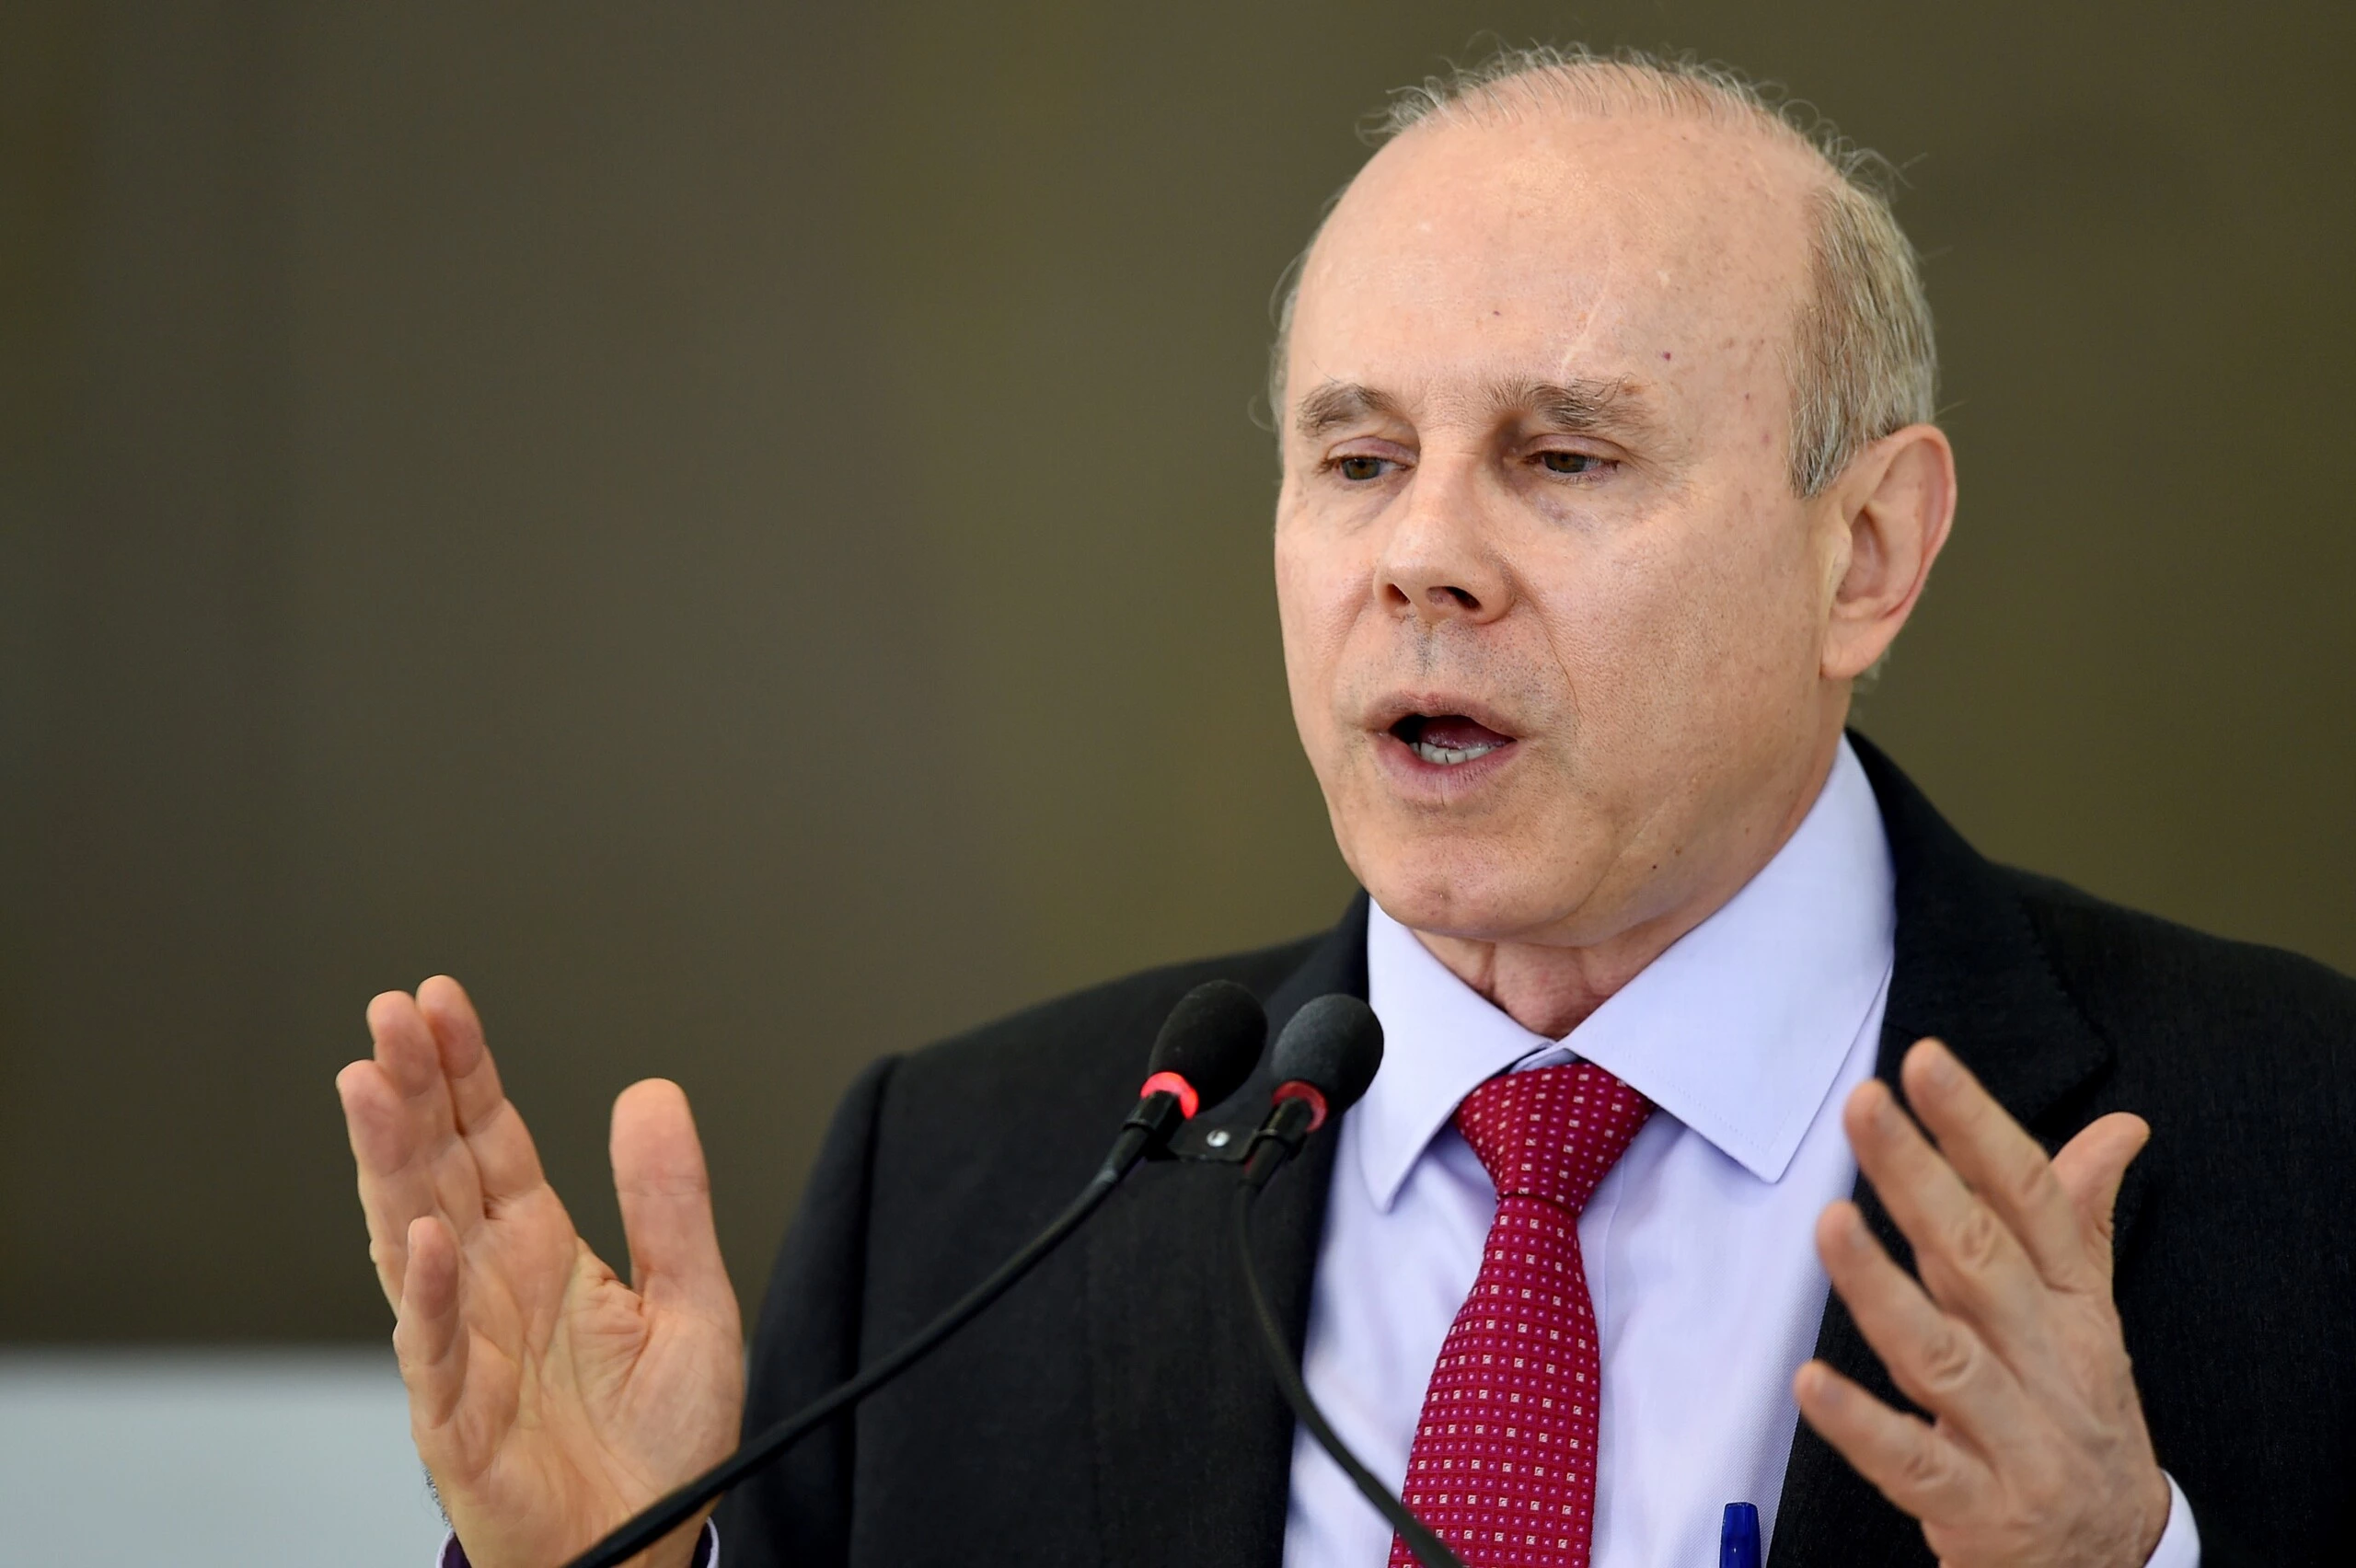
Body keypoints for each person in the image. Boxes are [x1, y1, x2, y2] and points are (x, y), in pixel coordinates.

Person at [336, 47, 2355, 1568]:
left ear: (1865, 553)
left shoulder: (2304, 1149)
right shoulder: (963, 1199)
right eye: (1356, 456)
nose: (1424, 559)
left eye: (1562, 459)